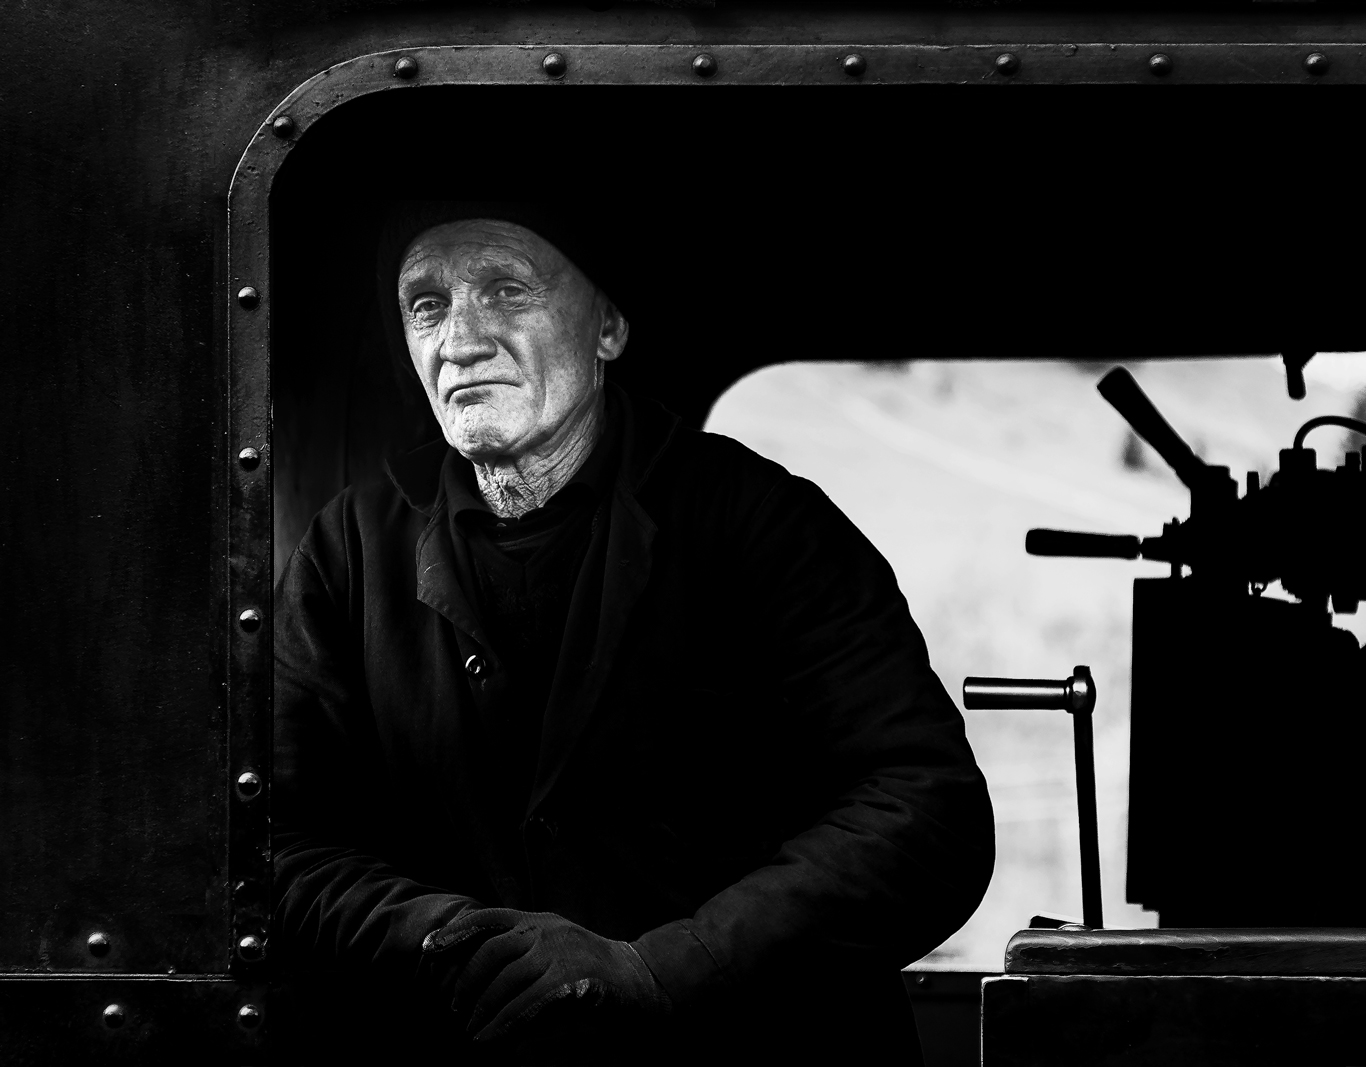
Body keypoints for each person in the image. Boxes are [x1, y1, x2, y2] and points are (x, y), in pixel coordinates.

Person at [272, 201, 995, 1064]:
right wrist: (454, 941)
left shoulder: (763, 523)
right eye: (427, 306)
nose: (459, 340)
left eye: (506, 291)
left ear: (607, 328)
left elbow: (926, 811)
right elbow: (278, 838)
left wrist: (663, 970)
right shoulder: (346, 553)